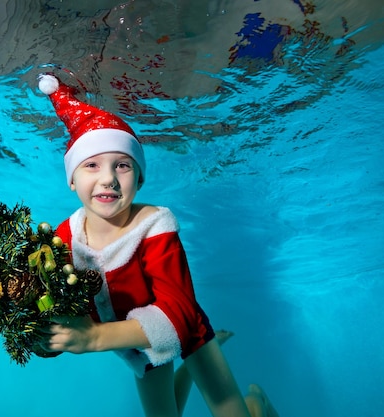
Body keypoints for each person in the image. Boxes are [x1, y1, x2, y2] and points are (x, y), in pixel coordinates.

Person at [37, 73, 278, 417]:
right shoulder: (62, 238)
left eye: (122, 165)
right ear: (72, 180)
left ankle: (257, 403)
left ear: (140, 178)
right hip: (137, 347)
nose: (107, 178)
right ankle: (185, 373)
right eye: (91, 165)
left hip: (188, 330)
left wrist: (92, 338)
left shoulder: (156, 224)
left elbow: (178, 317)